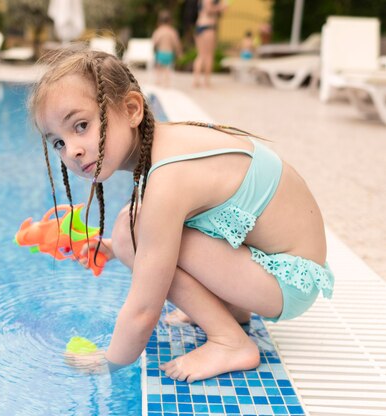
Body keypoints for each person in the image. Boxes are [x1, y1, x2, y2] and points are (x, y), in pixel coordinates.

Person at [28, 47, 334, 382]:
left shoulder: (169, 176)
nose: (72, 149)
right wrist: (115, 248)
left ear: (131, 109)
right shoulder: (166, 143)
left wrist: (110, 361)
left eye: (81, 125)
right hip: (275, 264)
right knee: (132, 229)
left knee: (137, 232)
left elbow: (145, 308)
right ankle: (234, 310)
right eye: (57, 142)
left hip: (289, 281)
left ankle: (230, 342)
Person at [193, 0, 228, 87]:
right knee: (208, 56)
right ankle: (206, 81)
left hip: (200, 26)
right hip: (208, 27)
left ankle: (196, 80)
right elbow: (209, 9)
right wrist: (221, 8)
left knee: (200, 55)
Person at [152, 10, 183, 86]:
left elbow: (154, 42)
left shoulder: (158, 31)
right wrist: (179, 53)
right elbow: (176, 43)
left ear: (159, 21)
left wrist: (154, 50)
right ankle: (166, 82)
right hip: (169, 54)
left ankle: (158, 80)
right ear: (170, 21)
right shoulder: (172, 31)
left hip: (160, 54)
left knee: (159, 67)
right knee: (167, 69)